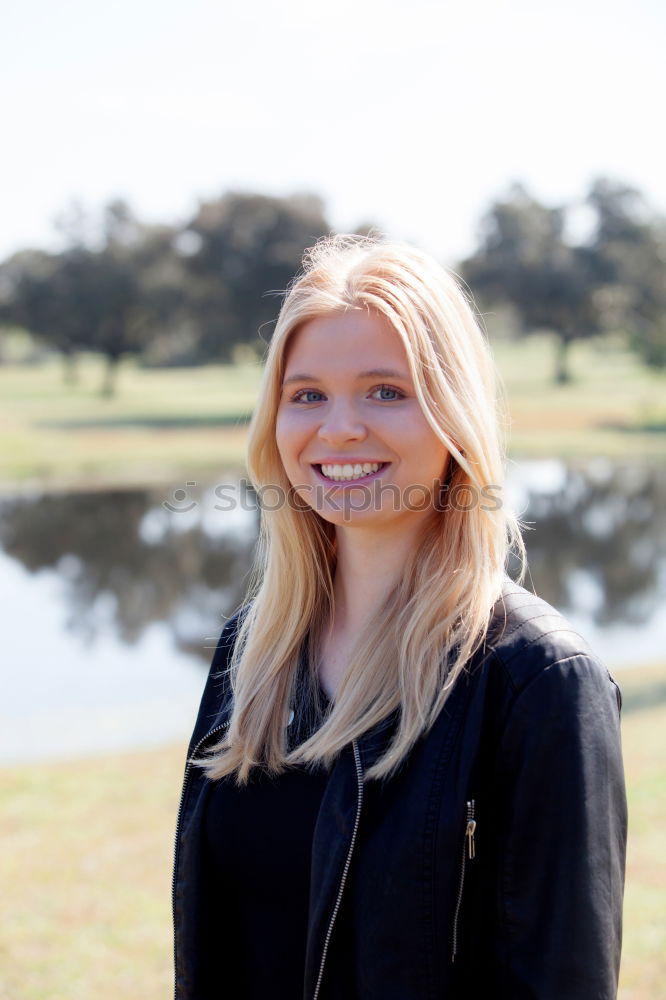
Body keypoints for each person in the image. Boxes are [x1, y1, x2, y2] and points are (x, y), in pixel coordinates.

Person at [172, 235, 627, 999]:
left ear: (454, 418)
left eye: (386, 390)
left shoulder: (539, 682)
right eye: (307, 394)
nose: (340, 428)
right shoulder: (249, 653)